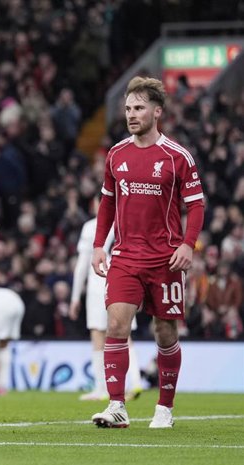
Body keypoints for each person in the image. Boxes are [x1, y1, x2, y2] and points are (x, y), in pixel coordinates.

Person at [91, 77, 204, 429]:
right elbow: (107, 204)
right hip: (125, 257)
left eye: (138, 108)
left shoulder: (177, 156)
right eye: (127, 108)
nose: (131, 114)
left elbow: (196, 206)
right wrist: (99, 245)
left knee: (165, 333)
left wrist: (188, 244)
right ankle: (116, 405)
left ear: (157, 112)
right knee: (115, 325)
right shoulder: (117, 154)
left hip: (165, 258)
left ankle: (164, 408)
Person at [70, 197, 143, 401]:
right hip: (123, 283)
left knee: (98, 335)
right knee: (125, 334)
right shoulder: (126, 223)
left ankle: (102, 389)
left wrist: (75, 297)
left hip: (97, 285)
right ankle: (136, 382)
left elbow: (83, 265)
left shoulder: (91, 226)